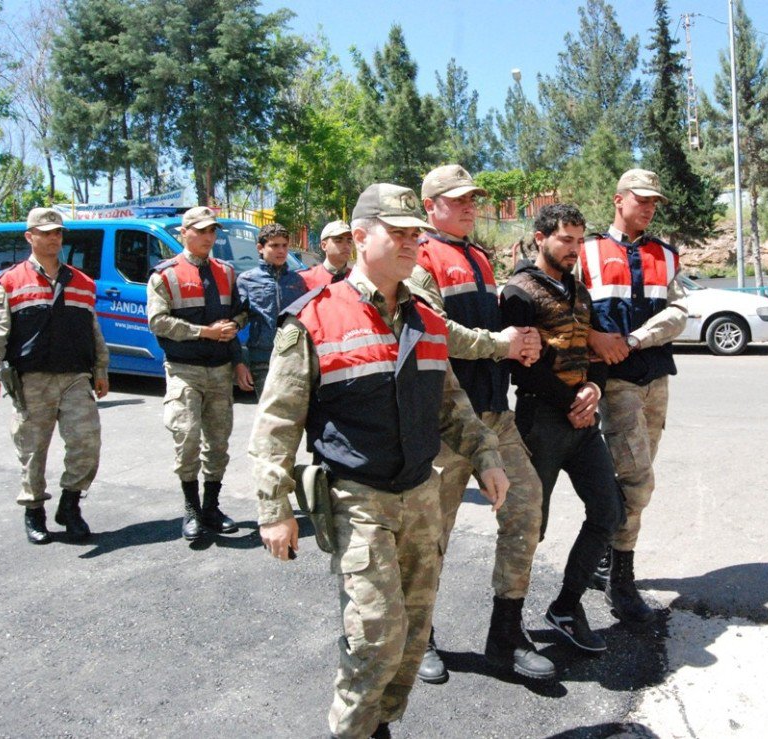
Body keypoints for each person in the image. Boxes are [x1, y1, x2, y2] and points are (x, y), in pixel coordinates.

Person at [251, 183, 509, 739]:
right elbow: (276, 423)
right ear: (361, 236)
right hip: (356, 498)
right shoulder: (314, 320)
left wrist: (485, 455)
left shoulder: (427, 320)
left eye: (417, 233)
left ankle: (379, 725)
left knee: (413, 636)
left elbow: (451, 404)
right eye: (399, 232)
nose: (413, 242)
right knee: (374, 637)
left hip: (421, 495)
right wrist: (274, 507)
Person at [408, 164, 552, 683]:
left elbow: (495, 331)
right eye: (458, 199)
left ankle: (506, 634)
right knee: (431, 535)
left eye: (473, 198)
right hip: (446, 421)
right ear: (431, 206)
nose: (470, 205)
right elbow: (432, 331)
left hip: (494, 413)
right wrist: (501, 343)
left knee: (526, 508)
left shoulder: (480, 258)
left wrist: (522, 346)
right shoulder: (418, 256)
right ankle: (419, 636)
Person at [501, 203, 625, 652]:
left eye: (579, 240)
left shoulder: (578, 289)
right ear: (541, 238)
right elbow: (523, 368)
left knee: (609, 512)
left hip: (582, 420)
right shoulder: (517, 292)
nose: (574, 249)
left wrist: (594, 388)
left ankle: (566, 607)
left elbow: (595, 347)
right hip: (542, 421)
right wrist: (572, 399)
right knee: (531, 526)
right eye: (565, 240)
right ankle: (509, 626)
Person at [578, 169, 687, 624]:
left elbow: (680, 310)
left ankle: (602, 554)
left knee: (634, 479)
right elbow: (564, 307)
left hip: (654, 375)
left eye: (653, 203)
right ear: (618, 200)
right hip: (615, 381)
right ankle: (621, 581)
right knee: (639, 479)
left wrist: (639, 337)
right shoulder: (587, 250)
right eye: (640, 200)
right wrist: (595, 338)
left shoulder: (666, 253)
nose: (647, 208)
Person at [0, 207, 109, 544]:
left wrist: (101, 369)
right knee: (33, 449)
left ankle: (70, 505)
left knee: (86, 441)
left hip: (75, 377)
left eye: (58, 233)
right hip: (31, 378)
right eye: (47, 232)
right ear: (29, 236)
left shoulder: (81, 281)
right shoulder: (11, 280)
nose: (54, 238)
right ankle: (34, 510)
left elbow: (93, 330)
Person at [147, 205, 254, 542]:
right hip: (184, 371)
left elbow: (240, 315)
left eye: (212, 232)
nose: (209, 237)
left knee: (218, 443)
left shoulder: (226, 271)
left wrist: (235, 348)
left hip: (220, 370)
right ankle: (191, 509)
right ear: (184, 233)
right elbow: (157, 322)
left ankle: (211, 506)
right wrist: (204, 332)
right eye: (202, 231)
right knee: (187, 437)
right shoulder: (165, 274)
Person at [237, 223, 307, 398]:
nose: (281, 251)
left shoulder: (297, 280)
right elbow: (236, 322)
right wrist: (238, 363)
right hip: (262, 359)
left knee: (292, 413)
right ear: (260, 248)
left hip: (293, 357)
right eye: (274, 245)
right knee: (268, 412)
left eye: (284, 245)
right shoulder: (247, 280)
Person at [301, 220, 354, 289]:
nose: (346, 246)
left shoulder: (357, 280)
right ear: (324, 245)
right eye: (339, 241)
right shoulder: (306, 279)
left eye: (349, 241)